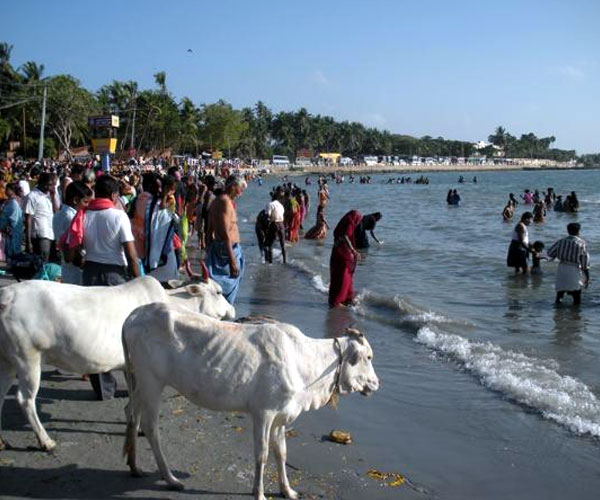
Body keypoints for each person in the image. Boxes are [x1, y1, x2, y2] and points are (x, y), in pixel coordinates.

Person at [66, 174, 141, 400]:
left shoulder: (83, 214)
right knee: (123, 331)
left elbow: (73, 252)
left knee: (94, 331)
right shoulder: (118, 216)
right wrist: (139, 282)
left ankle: (103, 389)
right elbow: (130, 253)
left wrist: (85, 262)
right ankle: (133, 383)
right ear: (114, 195)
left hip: (90, 274)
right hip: (114, 276)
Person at [205, 175, 246, 304]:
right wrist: (232, 260)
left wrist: (209, 249)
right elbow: (225, 234)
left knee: (219, 286)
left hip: (220, 249)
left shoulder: (217, 201)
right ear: (233, 187)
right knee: (226, 288)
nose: (241, 193)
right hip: (228, 251)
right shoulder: (225, 202)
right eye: (241, 189)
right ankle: (225, 315)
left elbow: (209, 230)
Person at [53, 181, 92, 284]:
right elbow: (71, 250)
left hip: (67, 270)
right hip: (77, 270)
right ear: (75, 200)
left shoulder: (58, 215)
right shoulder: (72, 218)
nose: (87, 205)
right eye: (85, 202)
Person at [547, 223, 590, 305]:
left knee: (560, 293)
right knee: (576, 294)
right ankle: (575, 314)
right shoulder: (582, 243)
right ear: (578, 231)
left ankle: (557, 313)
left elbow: (550, 253)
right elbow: (585, 262)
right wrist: (587, 278)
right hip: (574, 269)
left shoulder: (561, 241)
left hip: (562, 267)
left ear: (568, 231)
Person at [329, 210, 363, 308]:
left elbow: (338, 234)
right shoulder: (349, 222)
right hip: (342, 254)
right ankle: (339, 300)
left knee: (340, 276)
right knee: (344, 277)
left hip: (338, 251)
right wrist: (353, 250)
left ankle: (346, 299)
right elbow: (345, 236)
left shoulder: (345, 220)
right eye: (357, 220)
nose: (357, 223)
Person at [24, 172, 57, 262]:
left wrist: (53, 197)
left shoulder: (50, 195)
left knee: (50, 263)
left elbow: (56, 213)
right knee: (42, 262)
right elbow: (28, 219)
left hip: (51, 234)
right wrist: (28, 241)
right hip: (40, 235)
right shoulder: (32, 196)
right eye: (49, 184)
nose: (52, 187)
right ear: (42, 183)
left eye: (53, 185)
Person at [0, 182, 24, 263]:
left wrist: (6, 226)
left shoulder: (13, 203)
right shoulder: (10, 201)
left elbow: (13, 218)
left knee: (13, 250)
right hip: (8, 231)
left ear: (13, 191)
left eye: (7, 189)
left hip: (12, 231)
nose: (5, 191)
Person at [264, 189, 287, 264]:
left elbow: (268, 215)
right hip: (281, 224)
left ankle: (270, 262)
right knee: (282, 244)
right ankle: (284, 261)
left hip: (274, 224)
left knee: (269, 244)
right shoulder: (281, 205)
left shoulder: (270, 204)